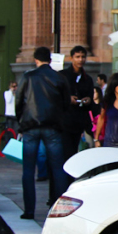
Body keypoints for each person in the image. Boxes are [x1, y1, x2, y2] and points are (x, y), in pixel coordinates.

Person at [15, 46, 72, 219]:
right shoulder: (60, 78)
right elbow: (65, 103)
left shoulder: (28, 77)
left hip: (31, 125)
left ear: (36, 60)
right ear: (50, 59)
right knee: (57, 168)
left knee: (28, 170)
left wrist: (21, 121)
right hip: (53, 126)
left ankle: (29, 210)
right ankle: (59, 208)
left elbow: (18, 101)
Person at [59, 45, 99, 159]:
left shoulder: (88, 79)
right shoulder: (63, 76)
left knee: (76, 151)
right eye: (77, 57)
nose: (80, 60)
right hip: (65, 120)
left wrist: (88, 100)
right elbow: (57, 97)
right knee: (66, 151)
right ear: (72, 58)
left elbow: (91, 101)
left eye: (83, 57)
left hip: (80, 120)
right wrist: (68, 98)